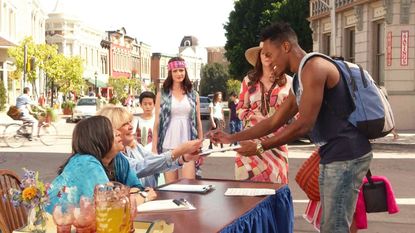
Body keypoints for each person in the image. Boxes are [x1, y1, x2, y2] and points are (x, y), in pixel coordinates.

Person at [210, 22, 372, 232]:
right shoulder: (300, 78)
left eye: (270, 53)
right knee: (331, 224)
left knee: (334, 226)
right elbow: (273, 121)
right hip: (333, 154)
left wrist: (260, 147)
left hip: (346, 156)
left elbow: (303, 125)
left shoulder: (314, 68)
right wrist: (231, 138)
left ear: (285, 47)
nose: (269, 60)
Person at [46, 116, 157, 213]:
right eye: (110, 130)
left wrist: (129, 195)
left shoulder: (119, 159)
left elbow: (137, 188)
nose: (118, 132)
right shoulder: (85, 163)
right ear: (98, 138)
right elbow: (109, 208)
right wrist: (142, 197)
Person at [232, 41, 293, 184]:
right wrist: (254, 118)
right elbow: (240, 108)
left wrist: (280, 120)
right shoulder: (248, 81)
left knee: (276, 190)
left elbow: (295, 113)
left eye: (270, 52)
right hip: (250, 139)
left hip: (276, 142)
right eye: (263, 52)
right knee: (247, 191)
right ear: (259, 56)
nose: (266, 55)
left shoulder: (289, 82)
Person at [98, 105, 203, 187]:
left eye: (130, 122)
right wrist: (178, 151)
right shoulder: (113, 156)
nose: (131, 127)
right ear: (112, 129)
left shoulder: (134, 147)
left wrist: (183, 158)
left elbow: (154, 161)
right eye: (125, 124)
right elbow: (142, 167)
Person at [152, 57, 203, 183]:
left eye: (181, 70)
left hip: (189, 144)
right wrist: (154, 147)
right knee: (171, 186)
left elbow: (198, 120)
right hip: (168, 145)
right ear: (170, 73)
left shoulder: (193, 94)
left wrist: (200, 142)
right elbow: (157, 123)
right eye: (175, 71)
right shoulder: (162, 94)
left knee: (190, 183)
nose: (179, 74)